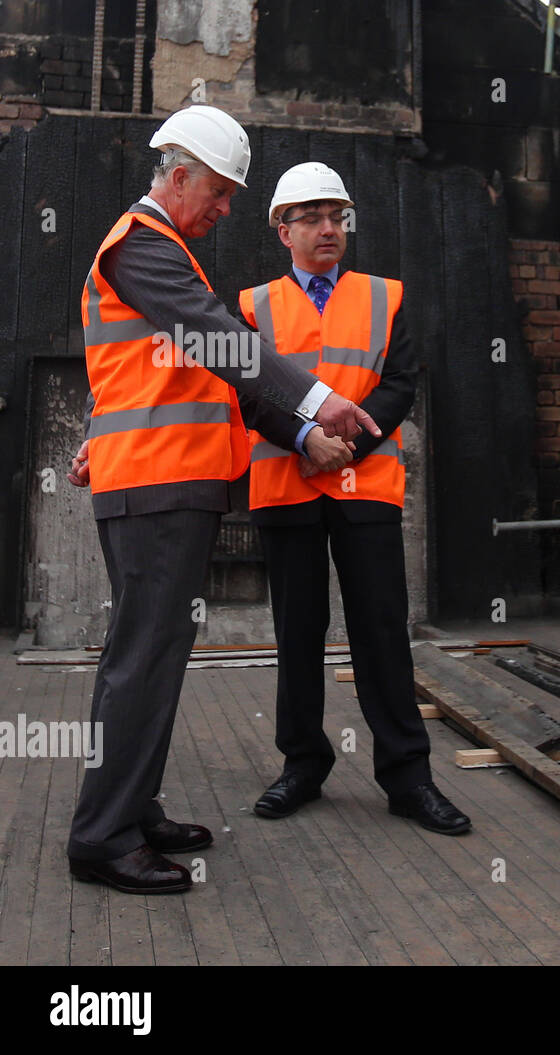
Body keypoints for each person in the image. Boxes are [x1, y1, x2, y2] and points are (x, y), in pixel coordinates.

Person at [68, 106, 382, 895]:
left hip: (165, 480)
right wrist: (315, 400)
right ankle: (103, 836)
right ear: (177, 177)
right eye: (218, 191)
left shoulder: (162, 250)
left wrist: (299, 432)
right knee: (141, 658)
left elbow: (165, 370)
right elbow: (215, 336)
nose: (227, 207)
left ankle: (132, 807)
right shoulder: (142, 244)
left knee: (156, 654)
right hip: (154, 484)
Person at [236, 162, 470, 836]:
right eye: (312, 216)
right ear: (284, 229)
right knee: (298, 634)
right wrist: (306, 437)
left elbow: (399, 385)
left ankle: (408, 778)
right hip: (286, 482)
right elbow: (248, 393)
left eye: (338, 216)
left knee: (380, 631)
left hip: (364, 484)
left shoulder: (386, 296)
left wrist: (347, 447)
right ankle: (302, 766)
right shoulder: (252, 305)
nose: (329, 228)